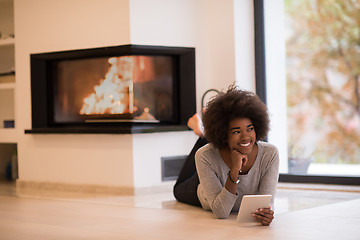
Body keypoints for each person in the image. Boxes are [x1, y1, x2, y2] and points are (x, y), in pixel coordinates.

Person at [173, 85, 279, 226]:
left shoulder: (269, 154)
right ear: (223, 133)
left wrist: (266, 214)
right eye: (236, 131)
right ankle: (202, 136)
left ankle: (202, 133)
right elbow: (221, 212)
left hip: (219, 162)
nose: (245, 137)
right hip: (202, 192)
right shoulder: (206, 156)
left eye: (250, 129)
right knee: (178, 190)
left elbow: (267, 203)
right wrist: (234, 171)